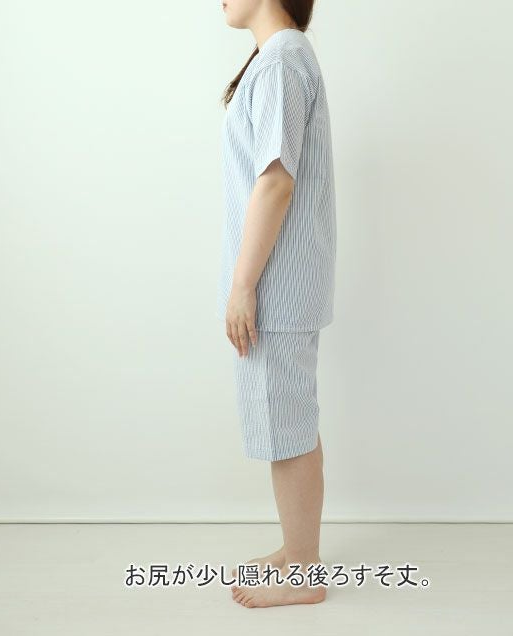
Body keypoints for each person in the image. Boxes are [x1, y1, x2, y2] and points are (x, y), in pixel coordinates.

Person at [217, 0, 337, 608]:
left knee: (288, 425)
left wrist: (243, 287)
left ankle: (305, 571)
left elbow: (275, 180)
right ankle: (296, 550)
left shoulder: (284, 60)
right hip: (281, 282)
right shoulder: (279, 59)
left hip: (277, 287)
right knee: (286, 419)